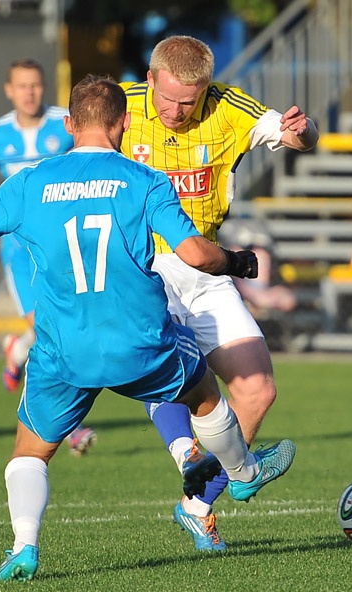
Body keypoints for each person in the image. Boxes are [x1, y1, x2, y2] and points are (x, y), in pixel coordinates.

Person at [0, 75, 297, 581]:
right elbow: (195, 253)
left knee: (30, 452)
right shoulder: (144, 179)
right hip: (140, 343)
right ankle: (242, 471)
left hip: (64, 352)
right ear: (124, 123)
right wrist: (237, 262)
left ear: (68, 125)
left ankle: (24, 547)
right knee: (203, 390)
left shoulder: (27, 183)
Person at [118, 35, 317, 552]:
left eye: (189, 101)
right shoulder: (122, 108)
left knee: (258, 390)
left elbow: (297, 135)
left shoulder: (230, 107)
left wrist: (303, 131)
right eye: (168, 99)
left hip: (205, 271)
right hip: (141, 269)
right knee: (170, 373)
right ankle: (194, 457)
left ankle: (197, 504)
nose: (177, 111)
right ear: (149, 79)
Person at [0, 59, 98, 456]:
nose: (30, 92)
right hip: (20, 250)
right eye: (22, 86)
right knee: (53, 331)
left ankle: (17, 351)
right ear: (9, 90)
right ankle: (71, 426)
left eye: (36, 85)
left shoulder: (65, 122)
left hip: (63, 244)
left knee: (71, 324)